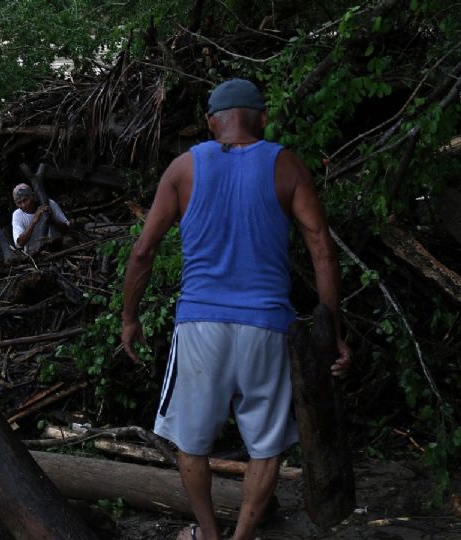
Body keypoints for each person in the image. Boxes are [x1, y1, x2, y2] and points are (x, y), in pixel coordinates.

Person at [120, 79, 352, 540]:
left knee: (190, 443)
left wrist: (130, 316)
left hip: (200, 325)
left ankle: (208, 534)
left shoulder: (184, 168)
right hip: (267, 326)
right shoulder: (286, 165)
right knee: (266, 448)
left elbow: (143, 251)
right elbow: (322, 249)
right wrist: (333, 330)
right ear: (262, 117)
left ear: (211, 123)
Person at [11, 182, 70, 252]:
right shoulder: (17, 215)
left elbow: (67, 229)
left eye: (25, 200)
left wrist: (51, 220)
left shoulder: (49, 203)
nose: (23, 205)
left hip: (56, 250)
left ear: (32, 196)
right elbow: (19, 243)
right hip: (33, 255)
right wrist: (34, 220)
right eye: (19, 203)